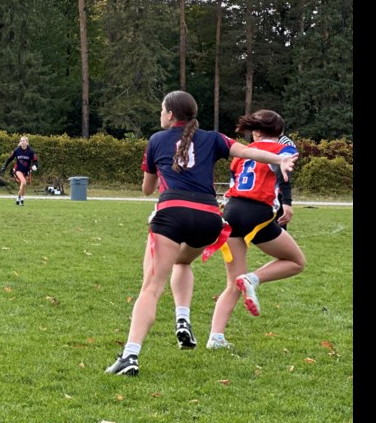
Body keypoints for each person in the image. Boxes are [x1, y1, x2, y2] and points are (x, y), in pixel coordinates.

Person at [105, 91, 297, 377]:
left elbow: (147, 189)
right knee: (182, 262)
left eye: (161, 110)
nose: (160, 114)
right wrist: (279, 159)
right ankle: (183, 317)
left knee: (151, 288)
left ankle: (130, 355)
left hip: (173, 213)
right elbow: (247, 152)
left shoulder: (157, 140)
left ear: (170, 115)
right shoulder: (213, 138)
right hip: (210, 220)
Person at [206, 110, 306, 350]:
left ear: (256, 131)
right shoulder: (283, 150)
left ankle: (215, 338)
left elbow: (234, 183)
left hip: (231, 213)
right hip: (256, 212)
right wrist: (287, 200)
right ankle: (252, 278)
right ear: (279, 133)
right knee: (296, 262)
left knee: (232, 283)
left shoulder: (240, 154)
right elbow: (286, 169)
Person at [1, 136, 38, 206]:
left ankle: (19, 199)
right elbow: (9, 159)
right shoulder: (17, 150)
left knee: (23, 186)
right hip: (18, 170)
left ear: (27, 142)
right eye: (21, 141)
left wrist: (35, 166)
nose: (22, 142)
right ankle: (21, 200)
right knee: (23, 182)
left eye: (24, 141)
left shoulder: (31, 151)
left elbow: (35, 161)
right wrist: (4, 166)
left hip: (26, 171)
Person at [275, 133, 297, 229]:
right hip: (261, 192)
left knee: (278, 228)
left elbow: (284, 171)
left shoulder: (286, 143)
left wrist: (286, 199)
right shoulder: (260, 143)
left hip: (277, 191)